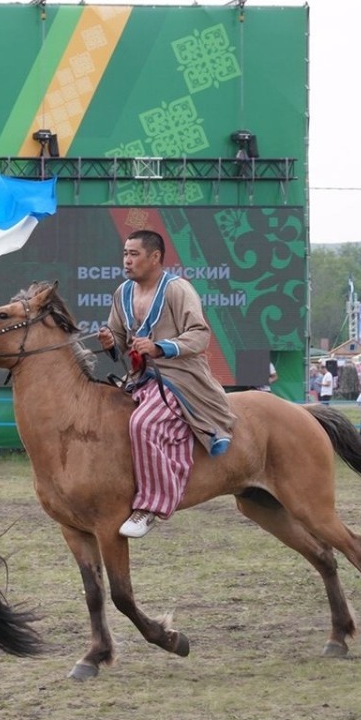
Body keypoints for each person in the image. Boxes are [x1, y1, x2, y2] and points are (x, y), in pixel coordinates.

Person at [97, 229, 236, 539]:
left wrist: (160, 348)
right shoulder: (122, 293)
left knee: (144, 424)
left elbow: (199, 335)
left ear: (155, 257)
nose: (127, 260)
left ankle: (151, 506)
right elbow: (119, 341)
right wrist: (109, 340)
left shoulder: (178, 289)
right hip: (139, 377)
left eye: (134, 254)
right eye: (125, 254)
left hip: (180, 377)